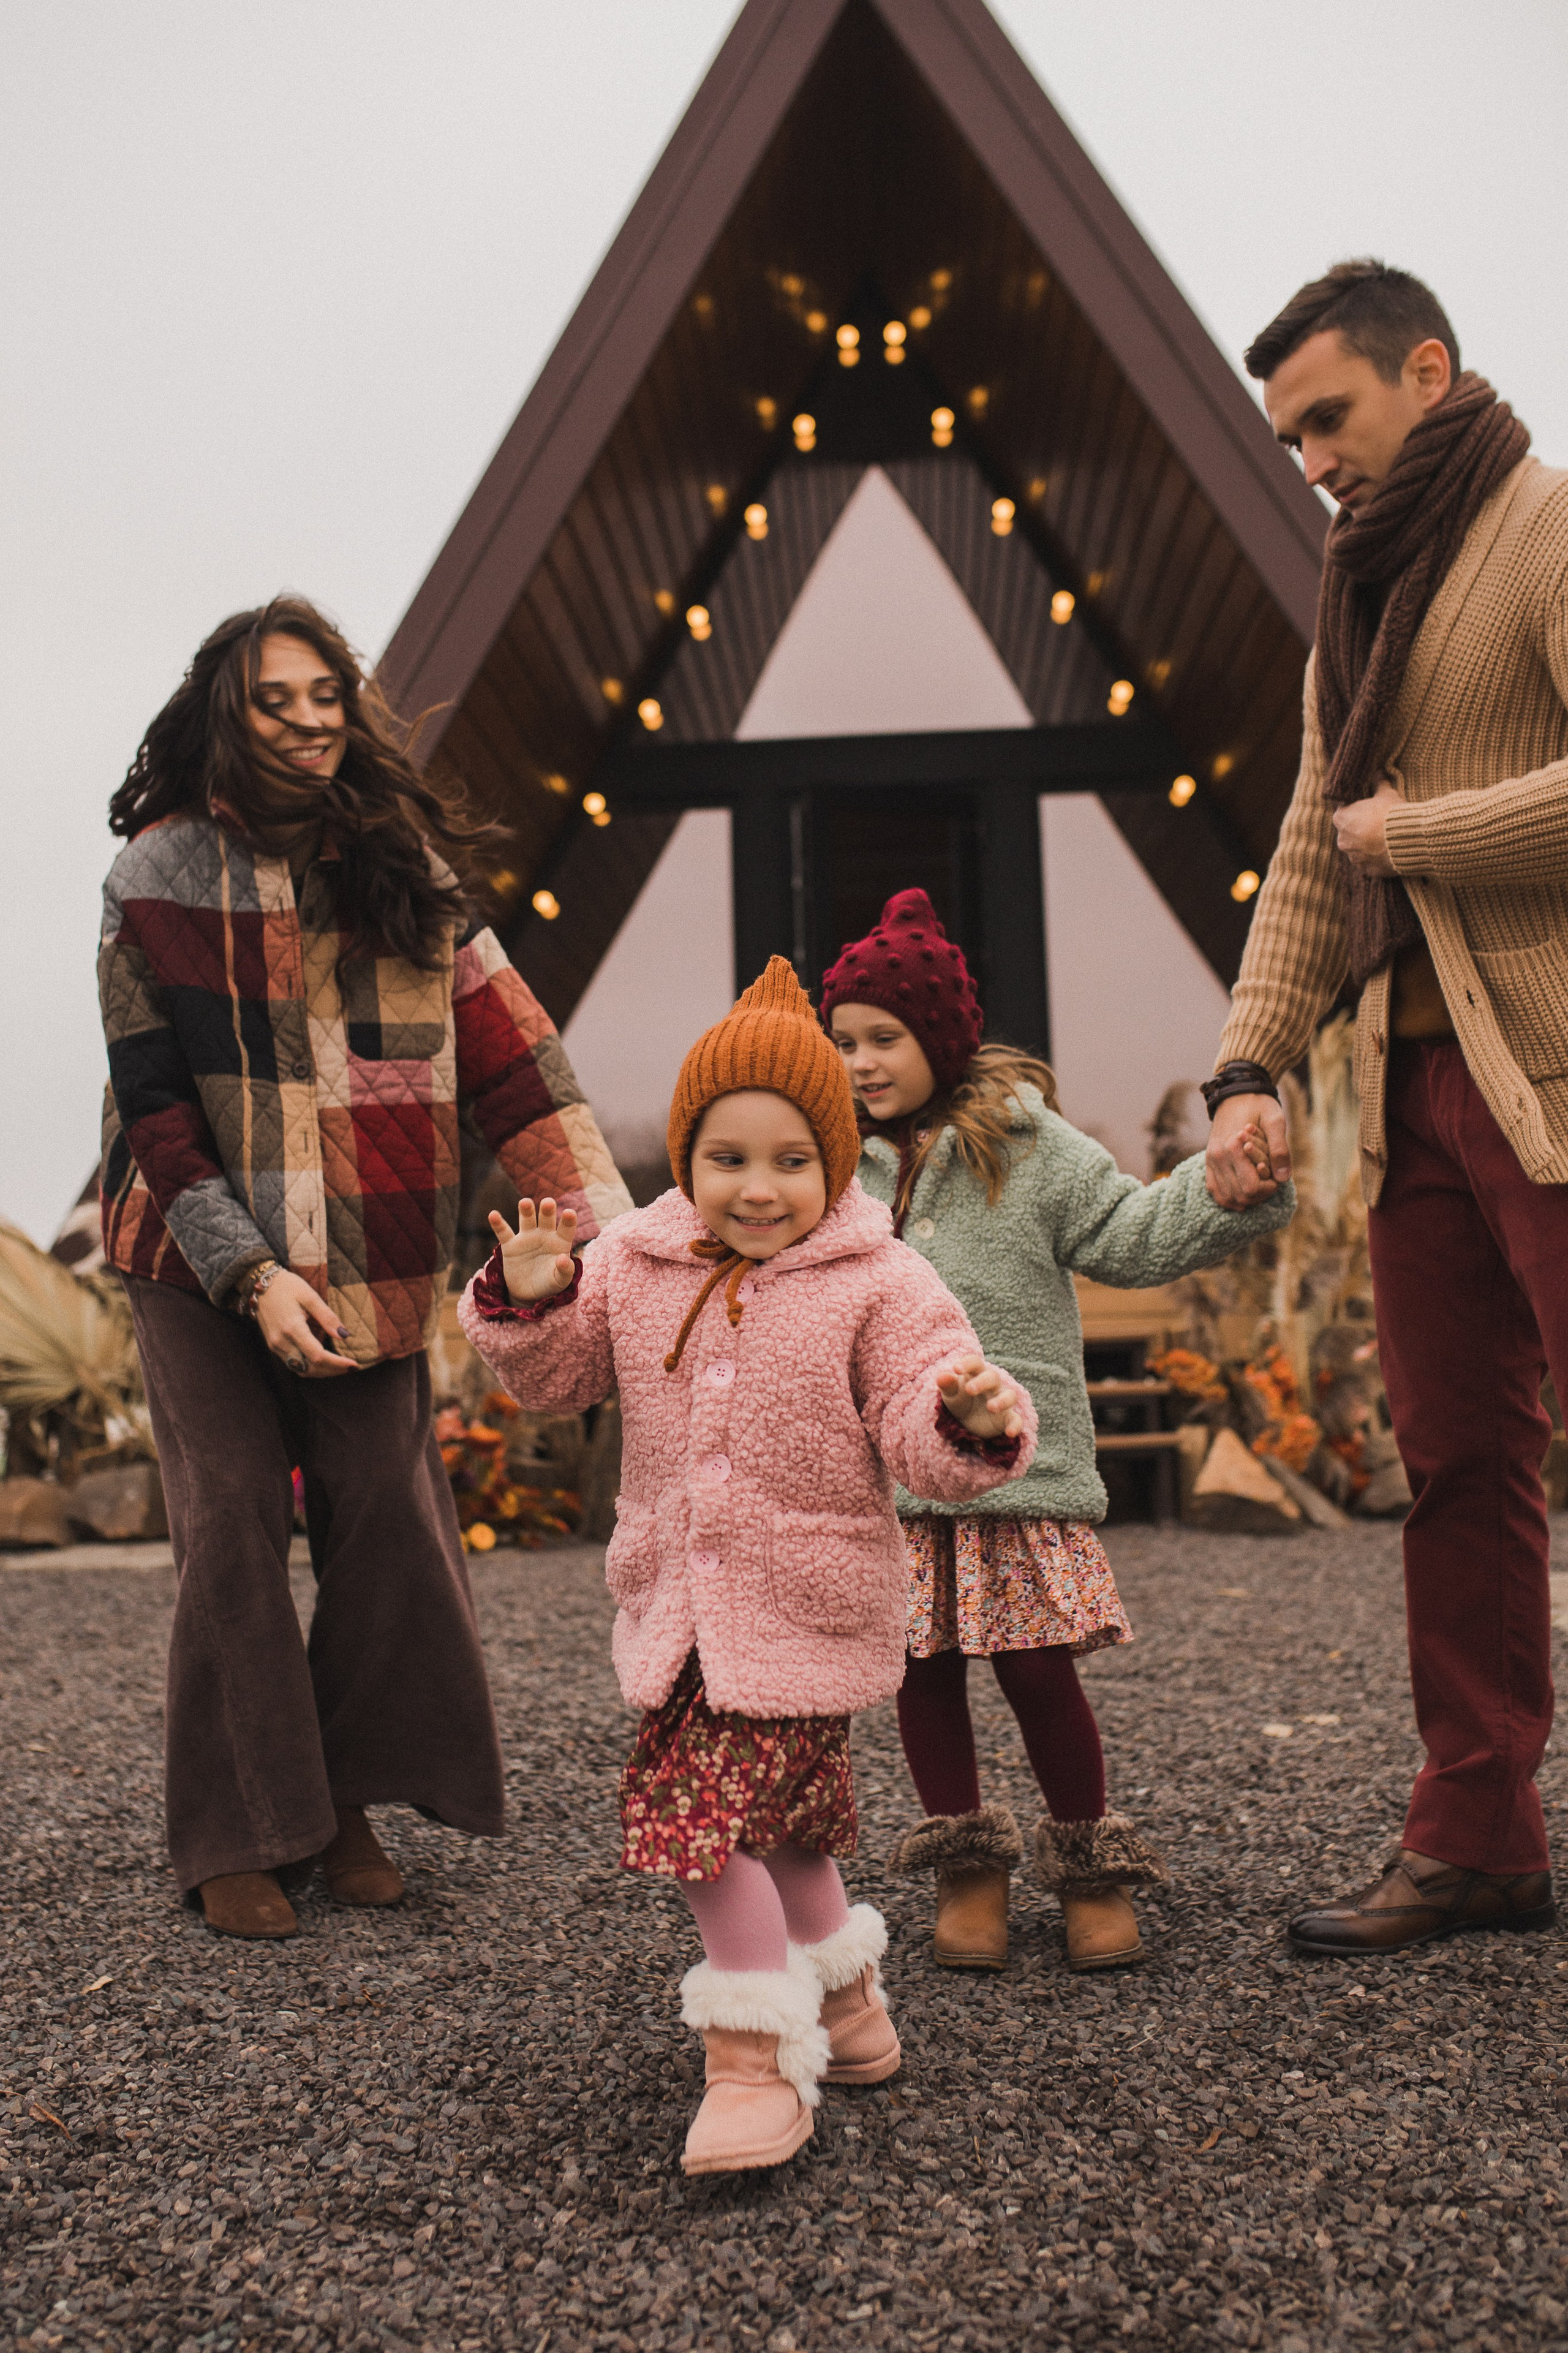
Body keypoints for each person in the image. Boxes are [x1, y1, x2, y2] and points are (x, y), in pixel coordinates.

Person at [99, 596, 630, 1941]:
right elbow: (154, 1106)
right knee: (228, 1517)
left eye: (326, 693)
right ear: (229, 714)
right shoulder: (153, 877)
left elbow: (521, 1066)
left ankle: (342, 1800)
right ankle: (240, 1824)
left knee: (385, 1520)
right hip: (190, 1248)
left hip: (374, 1253)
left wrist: (612, 1244)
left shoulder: (406, 878)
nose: (309, 719)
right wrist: (248, 1275)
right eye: (277, 699)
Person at [459, 957, 1035, 2177]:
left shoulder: (878, 1278)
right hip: (677, 1606)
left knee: (704, 1834)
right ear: (683, 1156)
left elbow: (916, 1417)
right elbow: (561, 1382)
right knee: (779, 1834)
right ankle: (847, 2009)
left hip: (801, 1607)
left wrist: (972, 1418)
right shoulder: (632, 1258)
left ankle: (751, 2062)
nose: (758, 1188)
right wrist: (529, 1304)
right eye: (726, 1159)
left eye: (789, 1160)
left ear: (833, 1160)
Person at [1204, 259, 1568, 1956]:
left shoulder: (1549, 529)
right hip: (1416, 1090)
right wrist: (1250, 1065)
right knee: (1458, 1463)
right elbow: (1305, 845)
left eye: (1328, 418)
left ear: (1431, 367)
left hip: (1553, 1076)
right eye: (1286, 438)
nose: (1311, 460)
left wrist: (1421, 835)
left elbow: (1374, 834)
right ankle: (1477, 1833)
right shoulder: (1354, 593)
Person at [820, 890, 1295, 1973]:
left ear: (942, 1039)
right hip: (889, 1475)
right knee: (922, 1672)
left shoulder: (1029, 1147)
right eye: (842, 1040)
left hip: (1014, 1471)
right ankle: (967, 1867)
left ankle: (1088, 1860)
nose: (859, 1062)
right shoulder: (830, 1162)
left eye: (883, 1039)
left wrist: (1222, 1191)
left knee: (1038, 1672)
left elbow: (1129, 1231)